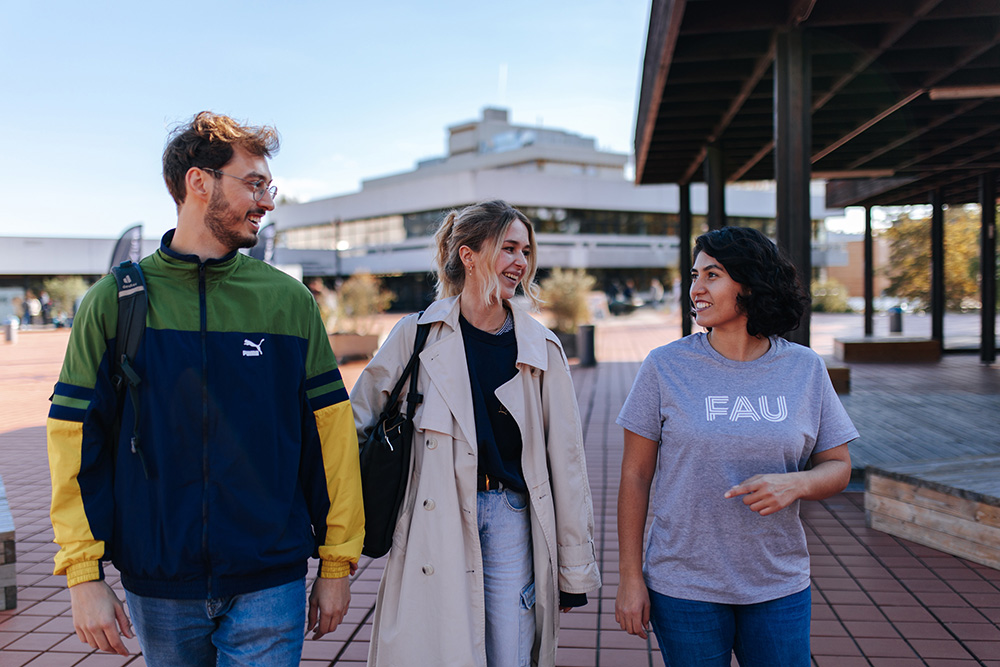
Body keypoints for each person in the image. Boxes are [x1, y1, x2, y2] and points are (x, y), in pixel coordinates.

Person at [47, 111, 364, 664]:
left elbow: (330, 438)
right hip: (159, 580)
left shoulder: (288, 302)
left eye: (269, 188)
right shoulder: (113, 303)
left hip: (270, 579)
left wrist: (337, 563)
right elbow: (74, 441)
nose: (266, 202)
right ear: (199, 181)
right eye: (254, 184)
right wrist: (83, 575)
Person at [351, 200, 601, 667]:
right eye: (508, 248)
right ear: (468, 255)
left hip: (511, 516)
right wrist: (339, 533)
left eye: (525, 251)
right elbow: (356, 424)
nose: (521, 262)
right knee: (438, 651)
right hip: (434, 514)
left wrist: (573, 571)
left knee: (509, 652)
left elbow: (566, 463)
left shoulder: (540, 347)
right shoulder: (416, 335)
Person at [614, 226, 857, 666]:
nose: (696, 288)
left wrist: (797, 484)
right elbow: (635, 475)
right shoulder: (665, 366)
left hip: (778, 582)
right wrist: (630, 577)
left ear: (750, 283)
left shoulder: (804, 368)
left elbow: (839, 465)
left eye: (713, 275)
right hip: (684, 584)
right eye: (695, 275)